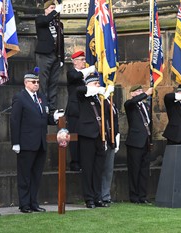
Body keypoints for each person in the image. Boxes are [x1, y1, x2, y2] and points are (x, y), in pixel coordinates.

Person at [10, 69, 64, 213]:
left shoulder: (41, 97)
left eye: (38, 82)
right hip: (26, 142)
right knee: (25, 175)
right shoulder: (20, 98)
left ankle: (34, 202)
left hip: (40, 142)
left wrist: (54, 118)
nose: (36, 84)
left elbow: (44, 118)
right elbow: (15, 121)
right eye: (33, 82)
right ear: (26, 83)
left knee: (36, 175)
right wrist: (15, 142)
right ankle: (24, 204)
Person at [76, 74, 108, 208]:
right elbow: (80, 90)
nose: (98, 86)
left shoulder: (99, 99)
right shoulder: (83, 96)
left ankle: (98, 197)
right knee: (88, 169)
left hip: (100, 136)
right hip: (88, 136)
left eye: (98, 83)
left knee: (98, 169)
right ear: (89, 84)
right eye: (95, 83)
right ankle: (89, 198)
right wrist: (94, 89)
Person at [66, 50, 96, 171]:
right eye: (82, 60)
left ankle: (84, 160)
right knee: (74, 136)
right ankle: (75, 162)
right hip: (74, 110)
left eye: (84, 59)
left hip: (86, 109)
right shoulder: (72, 73)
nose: (84, 62)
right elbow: (76, 76)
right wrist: (89, 70)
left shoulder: (86, 75)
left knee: (84, 137)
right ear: (74, 62)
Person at [124, 85, 153, 204]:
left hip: (145, 141)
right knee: (134, 170)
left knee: (144, 170)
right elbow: (134, 101)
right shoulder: (130, 104)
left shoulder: (145, 106)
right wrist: (146, 93)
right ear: (132, 94)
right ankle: (134, 196)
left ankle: (142, 196)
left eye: (141, 90)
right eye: (137, 91)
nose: (140, 93)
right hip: (135, 142)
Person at [35, 0, 64, 112]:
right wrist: (56, 10)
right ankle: (42, 105)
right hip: (44, 55)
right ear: (46, 9)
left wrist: (61, 58)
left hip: (56, 56)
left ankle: (51, 108)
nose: (54, 10)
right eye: (51, 8)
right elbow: (46, 20)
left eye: (54, 7)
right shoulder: (40, 19)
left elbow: (61, 41)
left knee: (53, 83)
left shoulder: (59, 24)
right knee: (43, 82)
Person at [101, 97, 120, 204]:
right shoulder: (101, 100)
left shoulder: (112, 101)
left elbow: (115, 121)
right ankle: (99, 195)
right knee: (101, 168)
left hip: (112, 137)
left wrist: (116, 136)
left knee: (108, 169)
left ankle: (106, 195)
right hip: (103, 137)